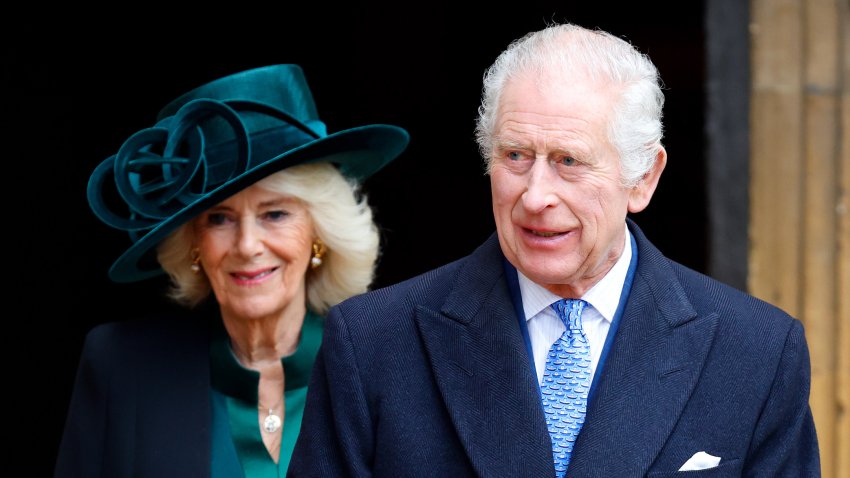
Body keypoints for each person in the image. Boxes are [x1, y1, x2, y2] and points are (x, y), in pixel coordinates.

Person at [288, 23, 820, 477]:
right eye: (516, 155)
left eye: (569, 160)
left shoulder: (757, 353)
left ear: (643, 178)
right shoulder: (373, 344)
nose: (536, 195)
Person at [55, 64, 409, 477]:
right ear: (193, 245)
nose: (246, 246)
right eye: (219, 219)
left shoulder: (390, 369)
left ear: (319, 233)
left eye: (274, 214)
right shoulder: (120, 366)